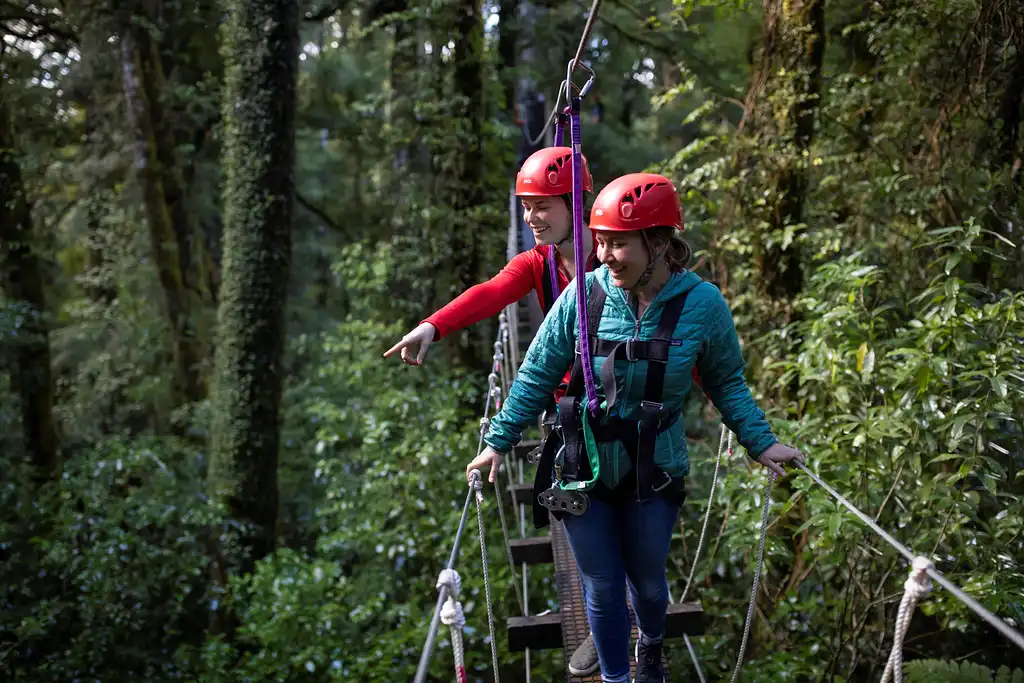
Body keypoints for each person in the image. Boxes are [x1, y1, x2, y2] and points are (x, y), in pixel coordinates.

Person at [466, 173, 805, 683]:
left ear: (660, 244)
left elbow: (725, 381)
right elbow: (536, 371)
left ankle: (650, 644)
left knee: (648, 586)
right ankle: (616, 678)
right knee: (602, 586)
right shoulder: (584, 294)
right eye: (599, 241)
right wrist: (497, 441)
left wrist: (761, 442)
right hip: (582, 462)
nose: (603, 255)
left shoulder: (703, 306)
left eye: (618, 243)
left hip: (655, 465)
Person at [383, 145, 606, 676]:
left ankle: (631, 627)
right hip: (569, 409)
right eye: (525, 207)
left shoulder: (617, 253)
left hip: (623, 406)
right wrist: (433, 325)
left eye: (542, 206)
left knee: (633, 522)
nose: (531, 218)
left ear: (575, 202)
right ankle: (607, 631)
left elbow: (673, 325)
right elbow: (492, 292)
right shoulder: (539, 264)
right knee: (583, 521)